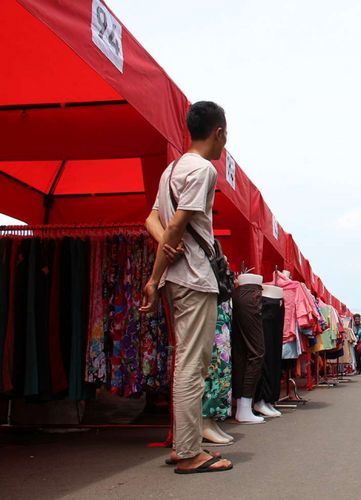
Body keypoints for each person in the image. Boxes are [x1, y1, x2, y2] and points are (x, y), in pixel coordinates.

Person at [140, 101, 233, 473]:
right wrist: (153, 275)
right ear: (220, 132)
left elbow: (152, 219)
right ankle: (190, 450)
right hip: (194, 276)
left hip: (180, 278)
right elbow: (177, 226)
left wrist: (163, 253)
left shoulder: (170, 171)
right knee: (193, 366)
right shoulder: (204, 170)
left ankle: (185, 444)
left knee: (186, 364)